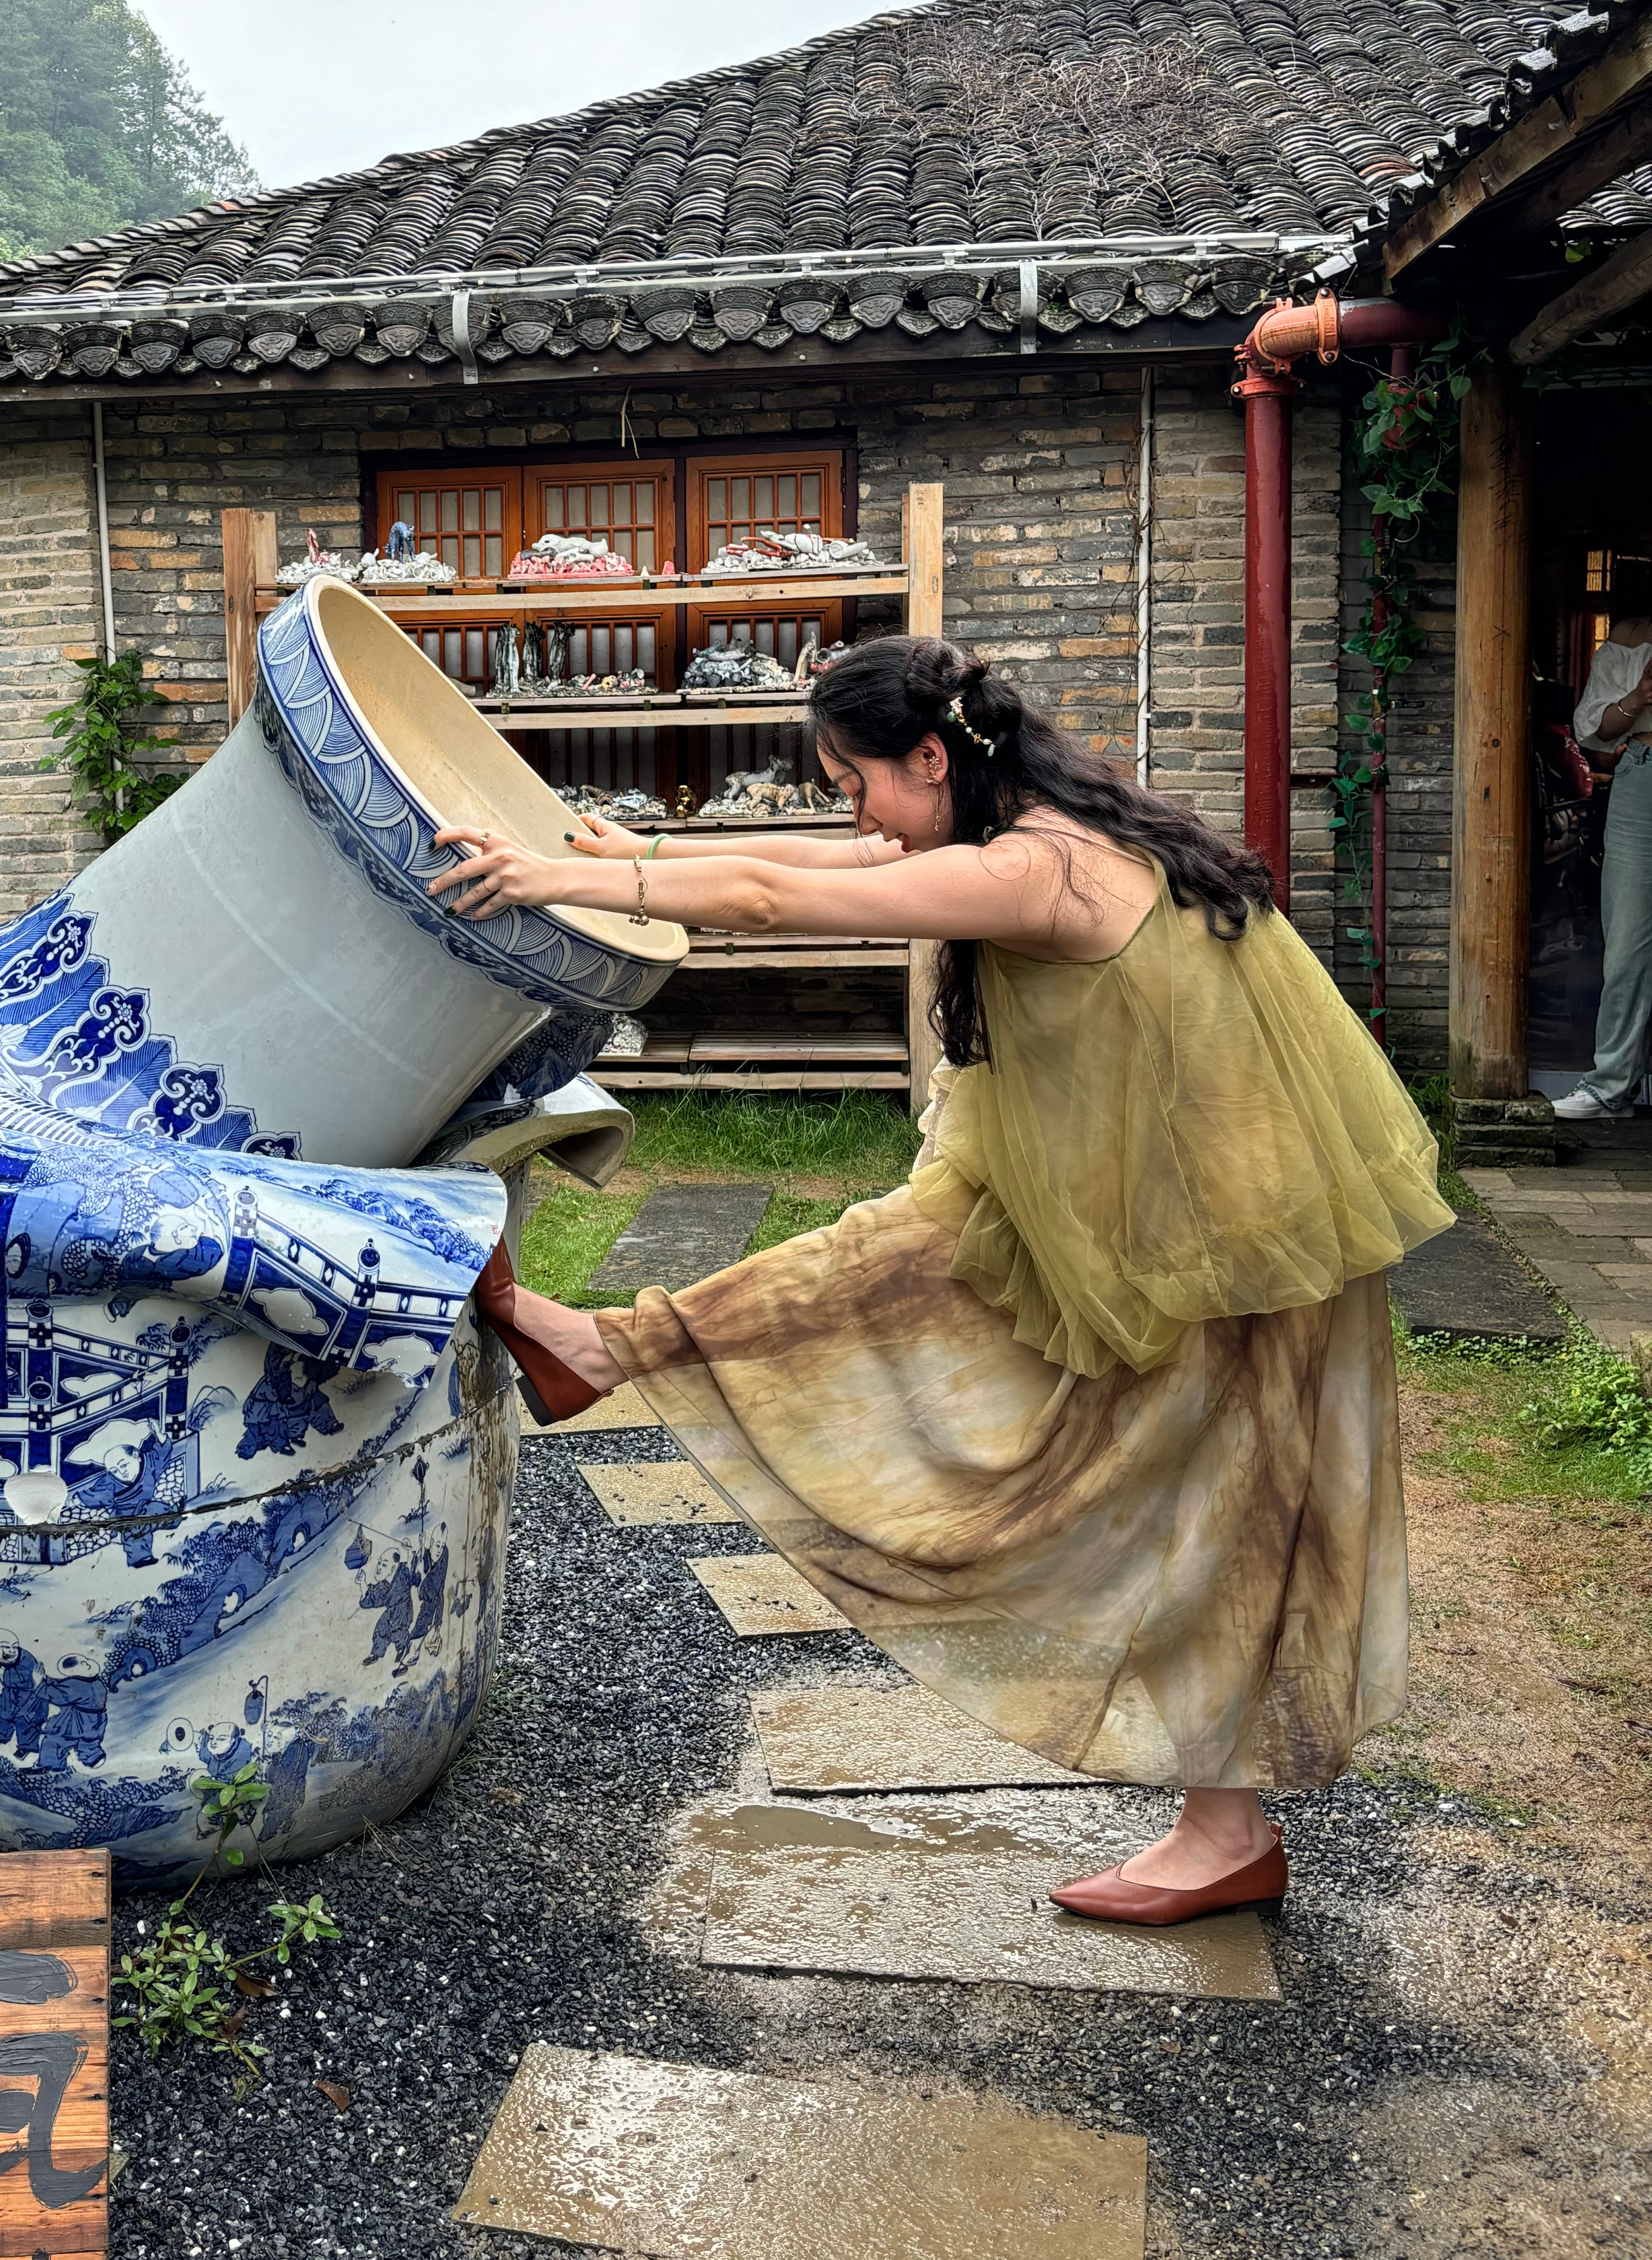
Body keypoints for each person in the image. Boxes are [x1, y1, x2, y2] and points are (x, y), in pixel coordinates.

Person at [429, 635, 1450, 1927]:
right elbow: (830, 859)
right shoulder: (1030, 819)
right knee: (888, 1266)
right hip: (1149, 1203)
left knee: (1223, 1510)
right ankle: (608, 1347)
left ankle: (1226, 1831)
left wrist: (574, 875)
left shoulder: (1041, 869)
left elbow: (777, 902)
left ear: (931, 757)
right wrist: (610, 857)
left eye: (854, 780)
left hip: (1218, 1241)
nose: (853, 813)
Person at [1558, 604, 1652, 1118]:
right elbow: (1596, 736)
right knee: (1629, 939)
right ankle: (1612, 1086)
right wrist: (1640, 695)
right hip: (1643, 774)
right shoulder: (1632, 637)